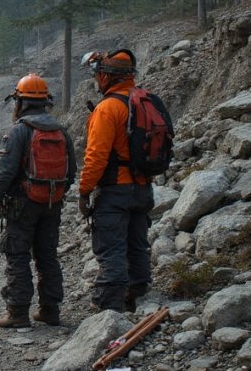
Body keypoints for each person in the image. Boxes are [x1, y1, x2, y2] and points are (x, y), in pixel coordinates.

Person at [0, 73, 76, 328]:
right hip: (52, 204)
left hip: (22, 205)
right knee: (47, 256)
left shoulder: (19, 131)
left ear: (20, 102)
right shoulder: (61, 131)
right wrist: (56, 194)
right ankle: (50, 311)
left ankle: (17, 313)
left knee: (17, 255)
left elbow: (5, 170)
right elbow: (72, 171)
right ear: (45, 101)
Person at [78, 49, 156, 312]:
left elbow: (96, 157)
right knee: (137, 244)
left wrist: (84, 190)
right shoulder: (146, 102)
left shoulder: (108, 108)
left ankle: (108, 308)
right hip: (143, 187)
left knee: (111, 249)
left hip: (115, 190)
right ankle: (138, 296)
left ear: (105, 76)